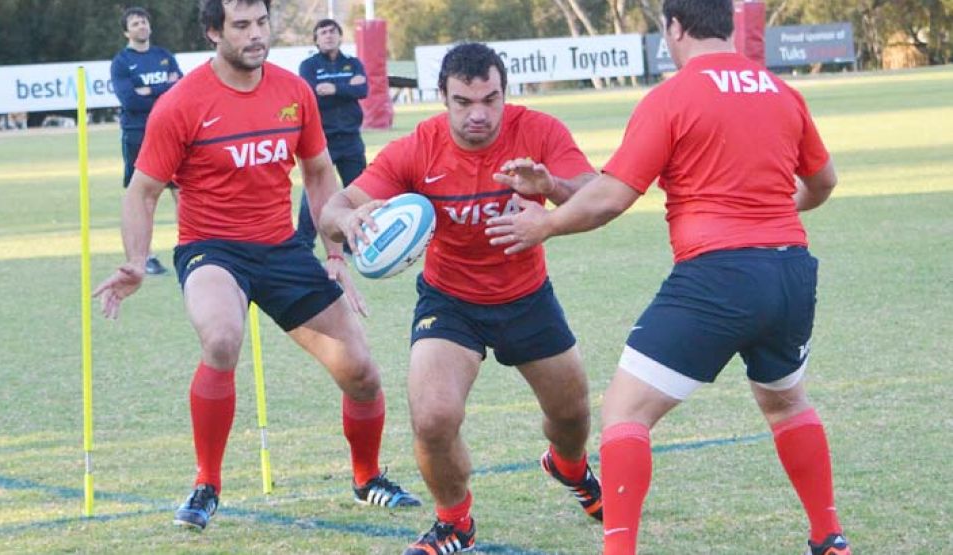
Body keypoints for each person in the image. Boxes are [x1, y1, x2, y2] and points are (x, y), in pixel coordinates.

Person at [484, 1, 850, 554]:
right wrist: (769, 213)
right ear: (726, 24)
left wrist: (546, 225)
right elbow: (823, 183)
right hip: (790, 273)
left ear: (673, 27)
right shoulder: (781, 92)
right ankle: (830, 539)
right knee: (787, 402)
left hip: (719, 275)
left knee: (625, 413)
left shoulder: (673, 97)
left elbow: (610, 197)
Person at [93, 0, 420, 532]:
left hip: (283, 248)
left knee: (361, 372)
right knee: (221, 338)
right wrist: (134, 260)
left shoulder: (294, 94)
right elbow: (143, 191)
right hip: (211, 249)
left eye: (262, 23)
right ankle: (207, 485)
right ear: (213, 32)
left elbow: (318, 175)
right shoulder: (181, 103)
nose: (255, 35)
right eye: (241, 25)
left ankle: (366, 479)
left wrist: (334, 252)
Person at [321, 42, 603, 554]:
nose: (478, 114)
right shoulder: (418, 147)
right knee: (432, 417)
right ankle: (455, 523)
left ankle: (569, 466)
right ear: (442, 98)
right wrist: (346, 221)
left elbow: (597, 192)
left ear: (505, 94)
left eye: (490, 100)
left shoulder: (538, 131)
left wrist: (553, 186)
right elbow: (335, 206)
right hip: (450, 304)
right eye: (463, 102)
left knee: (571, 416)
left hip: (527, 296)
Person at [110, 6, 182, 275]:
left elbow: (180, 90)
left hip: (170, 132)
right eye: (135, 23)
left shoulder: (164, 56)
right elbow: (130, 100)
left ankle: (187, 246)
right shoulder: (121, 62)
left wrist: (149, 90)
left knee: (181, 192)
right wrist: (163, 89)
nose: (141, 26)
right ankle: (144, 256)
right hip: (138, 133)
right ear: (126, 32)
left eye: (144, 22)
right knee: (143, 196)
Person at [295, 18, 368, 251]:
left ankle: (353, 241)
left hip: (351, 139)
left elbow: (363, 89)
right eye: (323, 32)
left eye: (332, 31)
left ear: (340, 36)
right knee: (314, 192)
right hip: (322, 139)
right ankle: (303, 243)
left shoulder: (353, 63)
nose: (328, 35)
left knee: (356, 191)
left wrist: (335, 88)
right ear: (316, 40)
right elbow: (313, 95)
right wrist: (348, 87)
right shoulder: (308, 66)